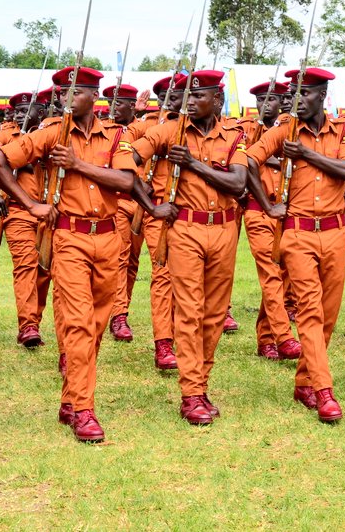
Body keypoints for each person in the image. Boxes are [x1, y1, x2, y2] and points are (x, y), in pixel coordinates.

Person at [0, 66, 136, 443]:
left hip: (108, 236)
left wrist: (77, 165)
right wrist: (30, 204)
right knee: (78, 323)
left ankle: (70, 399)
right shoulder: (51, 133)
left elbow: (127, 181)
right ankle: (84, 410)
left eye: (75, 90)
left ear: (95, 95)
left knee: (96, 325)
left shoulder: (116, 136)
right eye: (61, 92)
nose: (66, 97)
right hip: (69, 237)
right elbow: (1, 161)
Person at [247, 67, 345, 422]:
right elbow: (247, 160)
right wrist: (268, 205)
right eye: (294, 93)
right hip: (297, 234)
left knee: (327, 315)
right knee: (310, 312)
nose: (298, 100)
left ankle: (304, 383)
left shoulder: (342, 130)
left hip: (336, 232)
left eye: (305, 93)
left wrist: (306, 155)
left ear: (322, 95)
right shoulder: (285, 129)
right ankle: (324, 391)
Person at [131, 70, 248, 425]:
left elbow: (238, 183)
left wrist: (193, 164)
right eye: (188, 96)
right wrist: (149, 203)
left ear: (217, 99)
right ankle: (191, 392)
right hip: (185, 229)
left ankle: (202, 383)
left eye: (199, 96)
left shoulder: (234, 135)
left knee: (215, 314)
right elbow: (127, 158)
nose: (190, 102)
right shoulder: (170, 130)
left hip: (224, 229)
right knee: (189, 311)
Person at [238, 80, 302, 362]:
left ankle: (266, 339)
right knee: (270, 272)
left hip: (287, 212)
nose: (265, 105)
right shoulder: (245, 130)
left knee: (282, 276)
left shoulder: (291, 130)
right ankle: (284, 337)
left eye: (272, 99)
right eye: (260, 100)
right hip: (259, 210)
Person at [131, 74, 183, 370]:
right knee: (163, 273)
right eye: (167, 95)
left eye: (178, 94)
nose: (172, 100)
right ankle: (164, 342)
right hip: (160, 212)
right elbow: (122, 153)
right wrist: (141, 186)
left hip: (194, 214)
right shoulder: (152, 126)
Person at [0, 91, 51, 349]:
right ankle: (28, 325)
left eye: (27, 109)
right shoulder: (6, 136)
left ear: (42, 111)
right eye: (17, 110)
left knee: (45, 269)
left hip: (50, 212)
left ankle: (34, 319)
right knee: (25, 264)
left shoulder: (51, 134)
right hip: (19, 211)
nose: (20, 115)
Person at [102, 83, 146, 344]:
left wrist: (140, 114)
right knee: (119, 257)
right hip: (117, 201)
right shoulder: (105, 129)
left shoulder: (145, 127)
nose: (112, 108)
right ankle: (119, 315)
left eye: (118, 103)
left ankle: (121, 308)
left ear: (132, 106)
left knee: (132, 261)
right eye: (110, 103)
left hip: (141, 203)